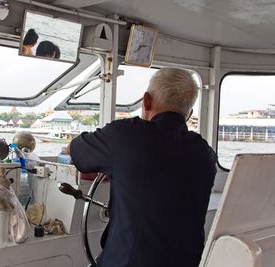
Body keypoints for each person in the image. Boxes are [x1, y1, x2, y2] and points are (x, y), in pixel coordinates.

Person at [68, 68, 217, 267]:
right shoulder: (205, 154)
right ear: (188, 114)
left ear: (146, 101)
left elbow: (74, 150)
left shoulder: (124, 137)